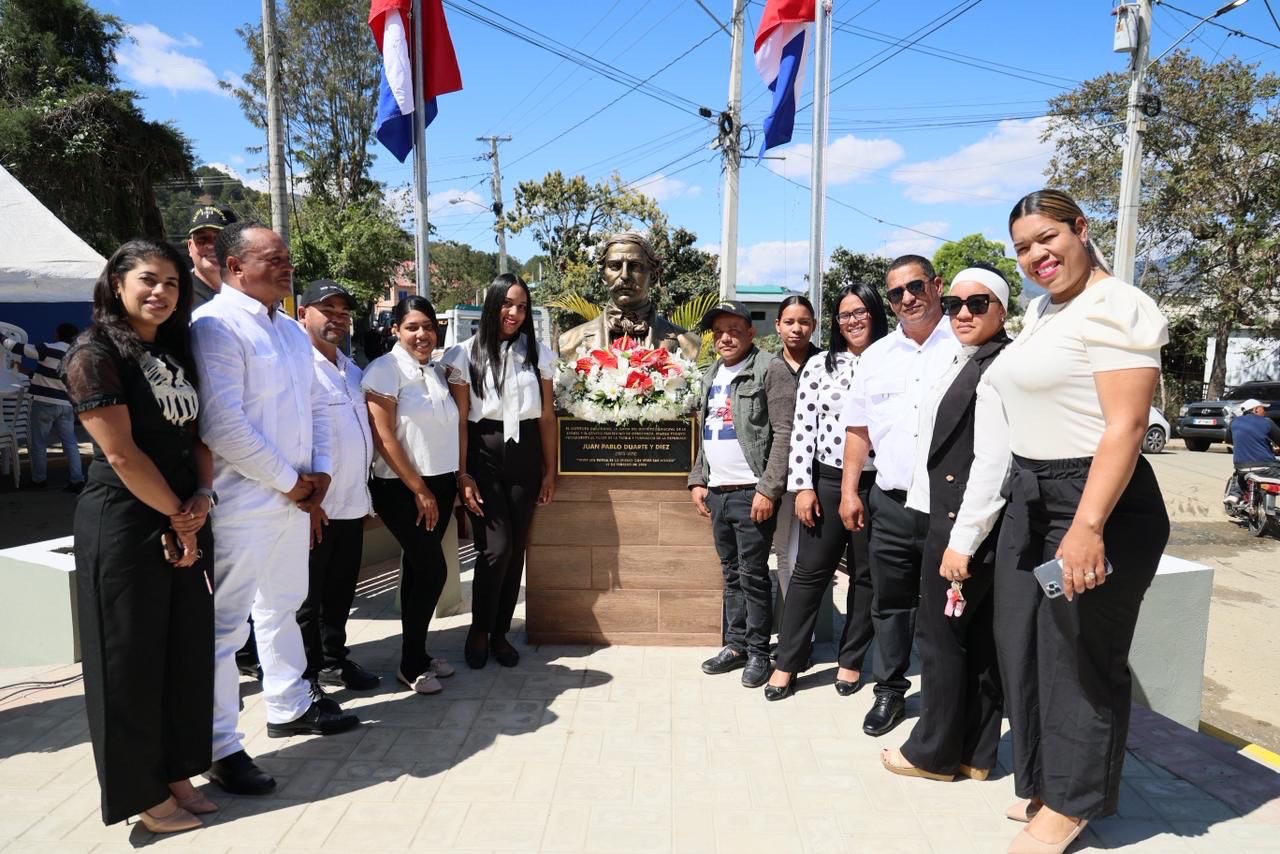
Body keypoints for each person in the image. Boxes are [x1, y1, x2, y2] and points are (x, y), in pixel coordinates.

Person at [987, 189, 1169, 854]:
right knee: (1031, 643)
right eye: (1023, 248)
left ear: (1080, 229)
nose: (1036, 256)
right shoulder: (1043, 310)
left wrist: (1087, 527)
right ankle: (1045, 781)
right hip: (1035, 501)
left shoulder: (1117, 307)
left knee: (1079, 653)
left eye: (1046, 239)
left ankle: (1073, 803)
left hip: (1095, 506)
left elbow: (1126, 424)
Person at [192, 221, 357, 798]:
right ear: (236, 268)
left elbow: (315, 407)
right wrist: (292, 482)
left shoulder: (287, 331)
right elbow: (222, 424)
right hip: (242, 503)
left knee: (284, 605)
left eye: (287, 258)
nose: (287, 267)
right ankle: (219, 745)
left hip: (295, 498)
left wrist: (320, 477)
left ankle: (289, 701)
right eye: (274, 259)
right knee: (226, 626)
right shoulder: (214, 326)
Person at [62, 239, 215, 832]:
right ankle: (143, 796)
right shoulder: (93, 352)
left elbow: (199, 431)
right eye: (148, 280)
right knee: (128, 662)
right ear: (117, 283)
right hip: (125, 522)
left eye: (173, 284)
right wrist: (180, 513)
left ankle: (174, 770)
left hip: (185, 511)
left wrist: (201, 499)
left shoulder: (174, 349)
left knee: (180, 653)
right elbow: (121, 454)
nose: (161, 292)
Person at [879, 265, 1011, 781]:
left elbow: (992, 463)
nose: (962, 313)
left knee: (941, 640)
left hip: (962, 526)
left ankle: (931, 754)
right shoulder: (966, 358)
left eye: (977, 304)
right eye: (955, 304)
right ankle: (975, 754)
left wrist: (962, 542)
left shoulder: (997, 367)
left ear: (1002, 309)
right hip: (950, 517)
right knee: (973, 641)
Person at [838, 255, 960, 736]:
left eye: (915, 287)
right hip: (889, 502)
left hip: (948, 507)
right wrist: (850, 490)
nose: (907, 298)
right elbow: (859, 429)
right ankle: (889, 690)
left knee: (945, 606)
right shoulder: (877, 356)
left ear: (936, 285)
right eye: (896, 294)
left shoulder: (964, 345)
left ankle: (945, 697)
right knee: (889, 602)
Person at [765, 284, 888, 701]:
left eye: (861, 312)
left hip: (880, 484)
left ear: (875, 313)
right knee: (810, 572)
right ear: (835, 323)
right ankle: (787, 662)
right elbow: (802, 431)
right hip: (829, 481)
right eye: (845, 314)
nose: (853, 321)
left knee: (867, 576)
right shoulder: (821, 365)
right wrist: (802, 487)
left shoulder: (895, 360)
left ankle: (851, 660)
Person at [445, 274, 557, 669]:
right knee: (496, 548)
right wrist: (462, 474)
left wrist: (550, 470)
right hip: (484, 454)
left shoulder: (537, 354)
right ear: (492, 304)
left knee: (516, 549)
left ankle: (500, 633)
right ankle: (478, 629)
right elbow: (460, 421)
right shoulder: (462, 355)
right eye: (508, 304)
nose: (514, 313)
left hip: (526, 454)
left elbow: (546, 418)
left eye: (522, 306)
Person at [688, 300, 796, 689]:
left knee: (753, 575)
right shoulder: (712, 372)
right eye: (719, 332)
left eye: (734, 330)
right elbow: (705, 432)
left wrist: (768, 489)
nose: (725, 338)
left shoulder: (771, 369)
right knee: (731, 574)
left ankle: (758, 652)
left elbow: (784, 433)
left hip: (751, 491)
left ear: (751, 333)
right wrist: (698, 478)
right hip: (718, 492)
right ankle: (734, 646)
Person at [363, 295, 461, 693]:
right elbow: (383, 437)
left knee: (420, 571)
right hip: (402, 488)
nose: (423, 335)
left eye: (429, 327)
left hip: (438, 484)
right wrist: (419, 489)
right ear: (396, 330)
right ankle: (409, 664)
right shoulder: (384, 371)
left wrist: (446, 484)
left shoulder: (434, 371)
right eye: (413, 327)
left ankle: (417, 654)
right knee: (433, 569)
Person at [295, 280, 379, 692]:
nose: (337, 318)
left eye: (343, 312)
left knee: (340, 593)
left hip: (351, 503)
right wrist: (307, 502)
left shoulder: (353, 371)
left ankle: (333, 660)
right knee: (307, 601)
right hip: (315, 507)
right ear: (302, 314)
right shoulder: (296, 371)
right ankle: (305, 677)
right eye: (327, 310)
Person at [557, 232, 701, 360]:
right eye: (615, 266)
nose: (624, 275)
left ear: (654, 275)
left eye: (635, 266)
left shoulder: (686, 342)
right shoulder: (570, 342)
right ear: (603, 276)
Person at [771, 295, 820, 599]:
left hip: (817, 475)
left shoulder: (827, 363)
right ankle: (794, 633)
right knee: (784, 554)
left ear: (813, 325)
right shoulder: (767, 365)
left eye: (804, 322)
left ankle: (805, 635)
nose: (796, 329)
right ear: (777, 326)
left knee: (808, 556)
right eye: (789, 322)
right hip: (777, 475)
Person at [4, 322, 85, 491]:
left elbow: (16, 347)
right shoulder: (77, 355)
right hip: (66, 405)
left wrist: (1, 337)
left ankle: (39, 480)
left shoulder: (48, 348)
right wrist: (29, 373)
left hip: (44, 403)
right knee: (70, 443)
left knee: (39, 443)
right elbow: (56, 379)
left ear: (57, 334)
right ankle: (77, 480)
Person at [1223, 398, 1280, 504]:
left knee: (1239, 474)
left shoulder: (1234, 422)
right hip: (1266, 467)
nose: (1265, 412)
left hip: (1242, 466)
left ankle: (1235, 494)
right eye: (1263, 409)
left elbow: (1228, 440)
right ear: (1256, 410)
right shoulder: (1267, 422)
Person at [187, 206, 236, 310]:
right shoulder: (178, 295)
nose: (211, 246)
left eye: (220, 239)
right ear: (190, 247)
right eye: (202, 239)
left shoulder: (250, 295)